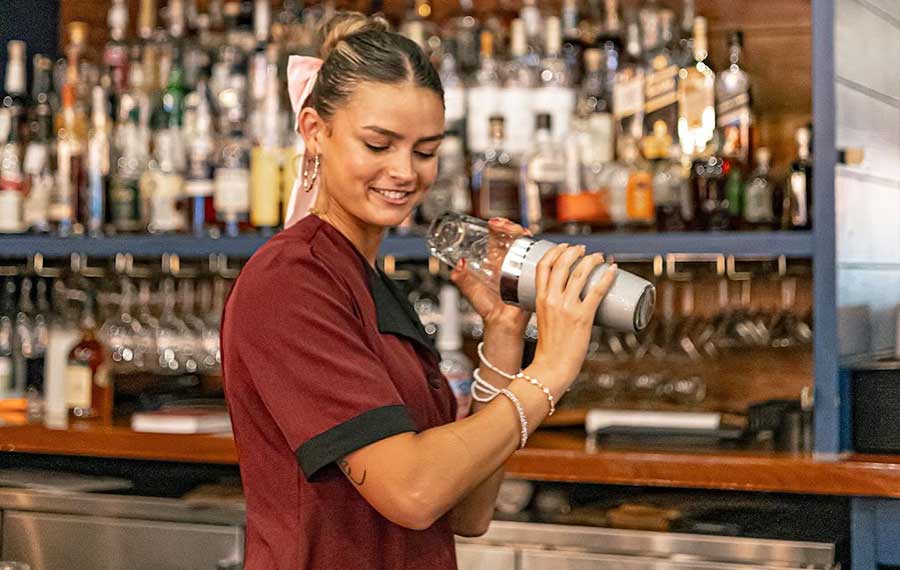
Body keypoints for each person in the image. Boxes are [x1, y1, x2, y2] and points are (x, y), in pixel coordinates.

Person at [221, 12, 618, 570]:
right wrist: (549, 372)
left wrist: (504, 339)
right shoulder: (289, 283)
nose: (404, 171)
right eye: (378, 145)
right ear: (315, 131)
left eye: (425, 151)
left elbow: (465, 511)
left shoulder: (367, 280)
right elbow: (412, 492)